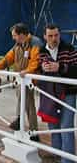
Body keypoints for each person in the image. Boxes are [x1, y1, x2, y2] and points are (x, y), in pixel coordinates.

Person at [0, 23, 42, 141]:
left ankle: (32, 131)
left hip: (30, 79)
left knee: (28, 105)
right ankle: (24, 125)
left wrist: (27, 72)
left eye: (14, 35)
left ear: (22, 34)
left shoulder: (35, 43)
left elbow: (36, 62)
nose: (13, 38)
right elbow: (8, 59)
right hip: (21, 79)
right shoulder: (18, 45)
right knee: (23, 101)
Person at [37, 24, 77, 163]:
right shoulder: (41, 51)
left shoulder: (70, 49)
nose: (54, 38)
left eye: (56, 35)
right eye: (50, 36)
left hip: (68, 92)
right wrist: (42, 68)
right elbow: (37, 70)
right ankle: (57, 157)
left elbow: (75, 70)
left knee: (66, 126)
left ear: (60, 35)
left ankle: (67, 161)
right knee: (53, 126)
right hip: (50, 93)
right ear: (44, 36)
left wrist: (60, 67)